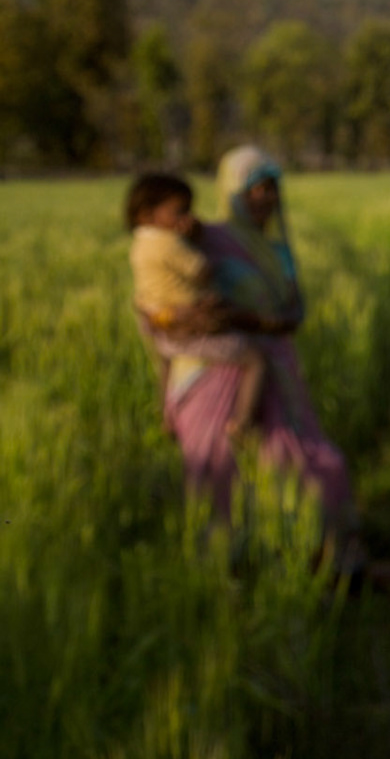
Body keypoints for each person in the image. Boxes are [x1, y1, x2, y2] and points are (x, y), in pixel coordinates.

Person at [143, 145, 361, 570]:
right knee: (224, 473)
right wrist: (166, 386)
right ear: (234, 191)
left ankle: (319, 563)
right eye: (257, 190)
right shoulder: (206, 240)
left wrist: (254, 322)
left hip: (276, 372)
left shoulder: (276, 249)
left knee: (309, 464)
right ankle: (237, 572)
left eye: (273, 190)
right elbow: (158, 302)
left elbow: (294, 312)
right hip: (217, 374)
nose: (267, 199)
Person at [125, 171, 268, 441]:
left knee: (165, 367)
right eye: (179, 212)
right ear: (147, 214)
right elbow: (202, 271)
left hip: (157, 325)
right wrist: (199, 245)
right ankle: (242, 422)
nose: (187, 218)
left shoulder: (140, 241)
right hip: (189, 328)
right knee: (255, 360)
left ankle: (167, 416)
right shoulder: (167, 242)